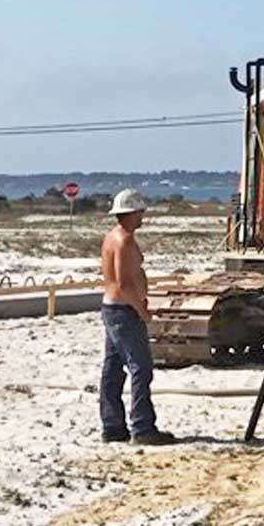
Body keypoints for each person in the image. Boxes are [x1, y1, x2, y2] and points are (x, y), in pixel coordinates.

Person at [99, 189, 177, 445]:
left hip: (113, 308)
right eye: (140, 211)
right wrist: (142, 311)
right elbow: (123, 283)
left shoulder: (114, 237)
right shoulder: (123, 241)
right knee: (140, 368)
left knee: (113, 368)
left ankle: (113, 426)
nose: (143, 215)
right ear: (131, 213)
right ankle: (142, 428)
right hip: (123, 310)